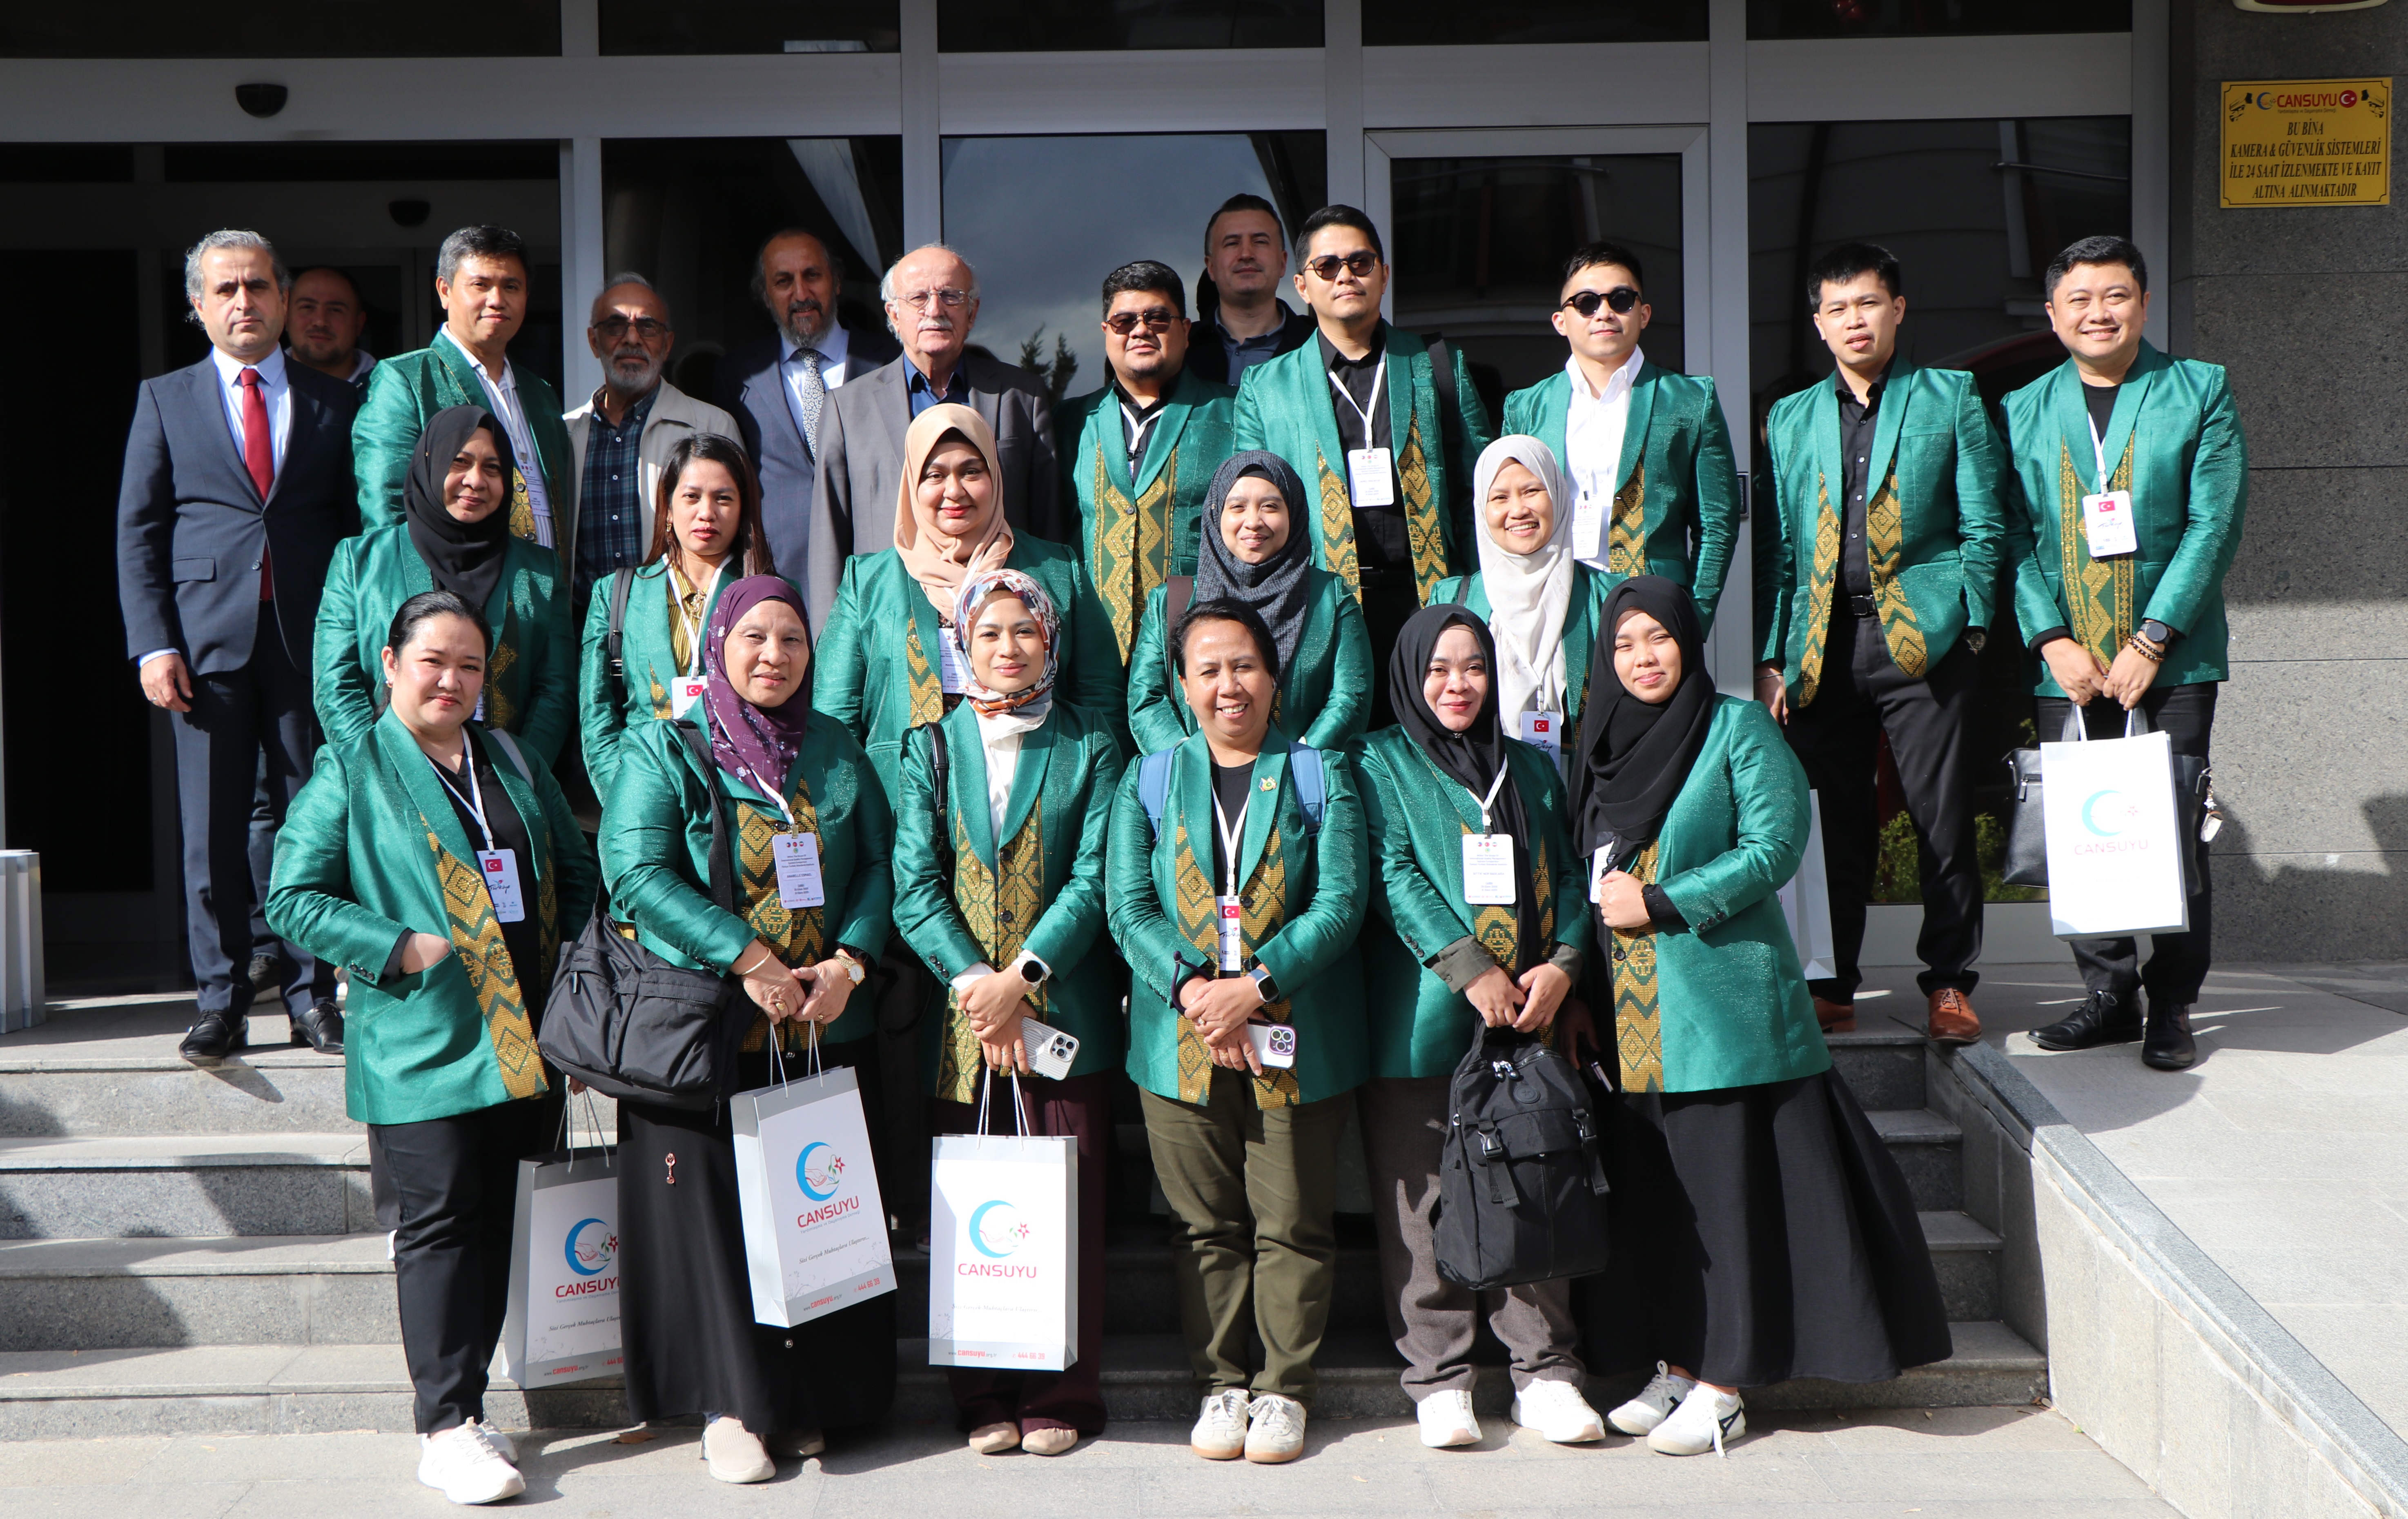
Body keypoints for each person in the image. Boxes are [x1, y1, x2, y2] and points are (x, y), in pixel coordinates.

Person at [1570, 576, 1950, 1457]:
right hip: (1628, 1023)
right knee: (1658, 1208)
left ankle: (1722, 1382)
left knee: (1722, 1205)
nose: (1640, 658)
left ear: (1687, 641)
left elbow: (1775, 848)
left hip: (1718, 1010)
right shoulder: (1601, 744)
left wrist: (1664, 901)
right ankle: (1674, 1360)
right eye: (1623, 644)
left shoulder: (1736, 728)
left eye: (1655, 639)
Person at [267, 589, 596, 1505]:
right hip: (425, 1037)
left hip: (524, 1034)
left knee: (498, 1221)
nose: (451, 680)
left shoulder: (513, 757)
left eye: (468, 665)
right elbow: (291, 897)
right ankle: (442, 1424)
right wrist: (393, 946)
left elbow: (571, 867)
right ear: (389, 664)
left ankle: (470, 1406)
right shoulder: (354, 765)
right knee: (440, 1226)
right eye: (432, 663)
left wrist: (576, 966)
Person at [599, 574, 894, 1481]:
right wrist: (749, 960)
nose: (773, 655)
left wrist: (848, 962)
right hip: (706, 1033)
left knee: (814, 1212)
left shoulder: (837, 749)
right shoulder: (667, 749)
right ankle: (730, 1407)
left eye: (793, 641)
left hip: (815, 1029)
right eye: (754, 637)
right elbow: (636, 873)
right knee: (718, 1230)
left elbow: (882, 865)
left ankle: (811, 1397)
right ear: (717, 644)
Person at [815, 403, 1120, 1216]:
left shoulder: (1055, 569)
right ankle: (920, 1224)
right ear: (910, 486)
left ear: (997, 474)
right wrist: (876, 848)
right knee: (922, 1055)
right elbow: (836, 727)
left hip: (1041, 843)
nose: (953, 489)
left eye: (971, 469)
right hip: (907, 855)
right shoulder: (869, 579)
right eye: (934, 474)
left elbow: (1093, 700)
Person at [1105, 597, 1368, 1467]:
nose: (1228, 685)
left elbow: (1341, 903)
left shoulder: (1316, 772)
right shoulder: (1148, 776)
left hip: (1291, 1033)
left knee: (1290, 1220)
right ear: (1181, 686)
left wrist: (1252, 987)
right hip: (1176, 1038)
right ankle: (1220, 1384)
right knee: (1202, 1225)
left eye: (1244, 666)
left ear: (1275, 680)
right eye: (1208, 669)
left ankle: (1283, 1391)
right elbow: (1126, 905)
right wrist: (1192, 992)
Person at [1350, 605, 1604, 1449]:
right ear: (1408, 678)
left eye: (1471, 668)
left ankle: (1544, 1370)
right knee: (1421, 1197)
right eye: (1436, 670)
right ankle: (1438, 1374)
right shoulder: (1379, 762)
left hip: (1523, 1022)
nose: (1455, 685)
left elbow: (1571, 875)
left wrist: (1565, 964)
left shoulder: (1530, 767)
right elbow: (1387, 870)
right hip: (1420, 1021)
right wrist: (1469, 968)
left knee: (1531, 1184)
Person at [891, 568, 1127, 1458]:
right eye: (987, 633)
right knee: (973, 1212)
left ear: (1050, 641)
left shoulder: (1090, 746)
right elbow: (914, 886)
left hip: (1060, 1016)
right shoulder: (932, 748)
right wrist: (972, 984)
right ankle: (981, 1391)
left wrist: (1019, 977)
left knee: (1065, 1208)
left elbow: (1096, 875)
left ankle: (1062, 1390)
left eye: (1022, 632)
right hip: (963, 1029)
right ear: (962, 643)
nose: (1006, 648)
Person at [1754, 242, 2008, 1043]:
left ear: (1895, 309)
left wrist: (1967, 623)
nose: (1852, 320)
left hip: (1922, 640)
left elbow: (1984, 525)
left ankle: (1947, 983)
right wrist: (1773, 656)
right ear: (1817, 323)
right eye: (1835, 308)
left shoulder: (1948, 396)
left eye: (1866, 303)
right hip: (1821, 645)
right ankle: (1830, 982)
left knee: (1936, 816)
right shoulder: (1788, 417)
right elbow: (1783, 554)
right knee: (1829, 820)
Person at [117, 228, 357, 1062]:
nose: (244, 302)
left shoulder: (334, 403)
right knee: (211, 836)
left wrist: (358, 642)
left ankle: (310, 996)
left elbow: (354, 531)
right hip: (204, 649)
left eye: (258, 286)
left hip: (306, 646)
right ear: (198, 306)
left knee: (310, 829)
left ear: (283, 300)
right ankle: (219, 999)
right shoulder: (164, 399)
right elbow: (139, 531)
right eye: (225, 290)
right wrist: (152, 645)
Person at [2006, 236, 2245, 1073]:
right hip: (2063, 662)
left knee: (2171, 827)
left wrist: (2151, 638)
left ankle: (2171, 1003)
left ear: (2142, 305)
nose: (2096, 312)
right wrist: (2050, 638)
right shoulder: (2022, 409)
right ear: (2051, 314)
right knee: (2084, 833)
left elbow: (2212, 525)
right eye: (2077, 299)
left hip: (2172, 658)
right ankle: (2108, 996)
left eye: (2114, 296)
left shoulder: (2196, 389)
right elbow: (2009, 536)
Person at [1232, 205, 1492, 725]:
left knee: (1431, 753)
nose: (1345, 275)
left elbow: (1481, 493)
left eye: (1359, 262)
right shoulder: (1265, 388)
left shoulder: (1437, 365)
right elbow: (1247, 518)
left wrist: (1476, 595)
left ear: (1383, 274)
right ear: (1303, 286)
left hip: (1428, 599)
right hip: (1319, 606)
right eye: (1327, 267)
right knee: (1336, 756)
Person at [804, 244, 1060, 631]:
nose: (935, 310)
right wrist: (830, 646)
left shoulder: (1020, 397)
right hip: (888, 629)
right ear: (893, 314)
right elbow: (829, 538)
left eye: (951, 297)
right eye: (919, 298)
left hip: (1003, 630)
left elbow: (1048, 527)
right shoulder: (846, 408)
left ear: (971, 312)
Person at [315, 406, 575, 767]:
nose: (476, 480)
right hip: (388, 772)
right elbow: (336, 683)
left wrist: (517, 774)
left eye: (493, 467)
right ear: (430, 463)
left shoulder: (539, 571)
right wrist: (381, 769)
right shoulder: (361, 561)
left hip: (503, 777)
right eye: (460, 462)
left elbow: (555, 690)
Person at [1499, 243, 1742, 627]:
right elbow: (1506, 518)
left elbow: (1717, 524)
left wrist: (1693, 618)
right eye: (1586, 303)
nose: (1604, 313)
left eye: (1621, 299)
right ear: (1561, 321)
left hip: (1656, 607)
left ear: (1643, 314)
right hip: (1551, 605)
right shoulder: (1526, 407)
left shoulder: (1691, 400)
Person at [579, 433, 781, 805]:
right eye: (691, 497)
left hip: (743, 798)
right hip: (643, 790)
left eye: (723, 498)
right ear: (668, 509)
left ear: (743, 510)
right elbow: (598, 714)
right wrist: (623, 796)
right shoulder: (616, 593)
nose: (707, 512)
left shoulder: (772, 597)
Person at [1054, 259, 1238, 667]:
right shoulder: (1068, 423)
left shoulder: (1234, 412)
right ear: (1106, 333)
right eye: (1123, 321)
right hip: (1090, 651)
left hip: (1197, 648)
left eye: (1157, 318)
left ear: (1185, 330)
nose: (1140, 330)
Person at [1127, 452, 1370, 753]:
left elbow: (1351, 696)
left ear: (1293, 512)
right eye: (1237, 507)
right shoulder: (1170, 602)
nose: (1253, 522)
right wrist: (1189, 763)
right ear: (1216, 514)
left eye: (1270, 506)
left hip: (1303, 783)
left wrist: (1301, 761)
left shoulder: (1330, 598)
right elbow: (1147, 698)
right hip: (1197, 788)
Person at [717, 229, 902, 605]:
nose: (801, 294)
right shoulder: (736, 376)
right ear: (765, 295)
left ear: (836, 282)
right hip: (780, 580)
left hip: (881, 569)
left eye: (812, 276)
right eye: (784, 281)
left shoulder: (892, 363)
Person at [354, 225, 570, 546]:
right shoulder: (406, 379)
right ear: (444, 290)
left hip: (547, 585)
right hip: (457, 591)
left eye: (511, 286)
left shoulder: (540, 391)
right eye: (480, 285)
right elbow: (388, 508)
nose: (496, 300)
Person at [1428, 436, 1612, 771]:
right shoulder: (1453, 599)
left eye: (1531, 491)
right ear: (1481, 510)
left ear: (1557, 493)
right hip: (1485, 787)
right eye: (1499, 497)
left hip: (1586, 792)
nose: (1518, 510)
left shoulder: (1606, 596)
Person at [562, 274, 740, 603]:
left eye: (647, 327)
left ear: (668, 343)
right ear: (593, 341)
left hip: (678, 632)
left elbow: (739, 540)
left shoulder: (711, 427)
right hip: (583, 636)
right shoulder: (565, 433)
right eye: (616, 326)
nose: (632, 338)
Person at [1186, 193, 1315, 389]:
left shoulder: (1319, 348)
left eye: (1260, 242)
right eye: (1232, 243)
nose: (1246, 254)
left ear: (1283, 262)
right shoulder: (1179, 350)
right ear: (1211, 267)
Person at [286, 265, 375, 389]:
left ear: (359, 324)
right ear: (286, 318)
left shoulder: (386, 390)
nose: (321, 322)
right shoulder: (257, 389)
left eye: (336, 310)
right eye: (308, 307)